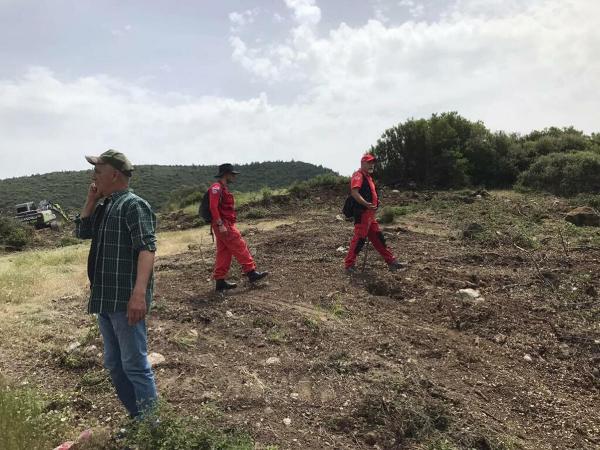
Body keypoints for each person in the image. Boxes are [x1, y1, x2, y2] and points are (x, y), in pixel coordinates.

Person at [75, 149, 158, 419]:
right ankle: (138, 419)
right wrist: (90, 199)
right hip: (105, 298)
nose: (93, 175)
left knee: (134, 365)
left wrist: (139, 296)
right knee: (114, 364)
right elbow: (81, 232)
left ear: (114, 174)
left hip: (125, 299)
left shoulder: (134, 205)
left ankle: (152, 429)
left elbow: (147, 250)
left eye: (98, 170)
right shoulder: (106, 205)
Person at [209, 163, 268, 291]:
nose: (234, 177)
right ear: (226, 174)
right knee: (240, 245)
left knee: (224, 252)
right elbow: (213, 207)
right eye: (232, 174)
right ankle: (251, 273)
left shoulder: (222, 188)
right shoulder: (216, 187)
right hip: (223, 224)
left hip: (223, 224)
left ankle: (220, 282)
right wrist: (220, 224)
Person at [345, 153, 402, 274]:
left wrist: (375, 200)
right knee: (359, 239)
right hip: (362, 213)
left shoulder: (369, 178)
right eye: (369, 162)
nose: (372, 165)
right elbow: (354, 192)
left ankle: (391, 262)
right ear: (362, 163)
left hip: (371, 215)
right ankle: (349, 265)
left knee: (378, 238)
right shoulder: (358, 175)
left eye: (373, 162)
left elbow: (369, 193)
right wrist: (366, 203)